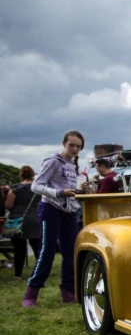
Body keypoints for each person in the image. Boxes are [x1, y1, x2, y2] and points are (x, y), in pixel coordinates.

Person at [22, 130, 88, 307]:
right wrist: (59, 193)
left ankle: (67, 292)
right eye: (71, 145)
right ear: (63, 144)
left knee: (70, 253)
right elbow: (36, 186)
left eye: (78, 146)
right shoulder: (53, 161)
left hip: (69, 211)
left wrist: (82, 188)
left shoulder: (73, 165)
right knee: (47, 251)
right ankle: (31, 294)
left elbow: (71, 190)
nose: (75, 149)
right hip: (50, 208)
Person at [4, 166, 42, 279]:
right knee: (37, 250)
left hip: (17, 221)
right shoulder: (38, 189)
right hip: (35, 220)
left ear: (21, 175)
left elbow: (9, 205)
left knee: (19, 250)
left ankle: (18, 275)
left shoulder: (15, 189)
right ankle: (38, 274)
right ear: (32, 174)